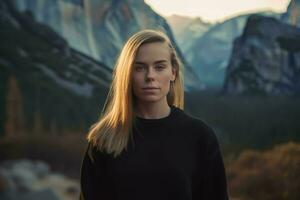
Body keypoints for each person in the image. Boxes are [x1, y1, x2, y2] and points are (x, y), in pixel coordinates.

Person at [79, 29, 229, 200]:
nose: (150, 76)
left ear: (173, 72)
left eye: (159, 67)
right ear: (127, 74)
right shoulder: (104, 138)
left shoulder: (200, 136)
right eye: (139, 68)